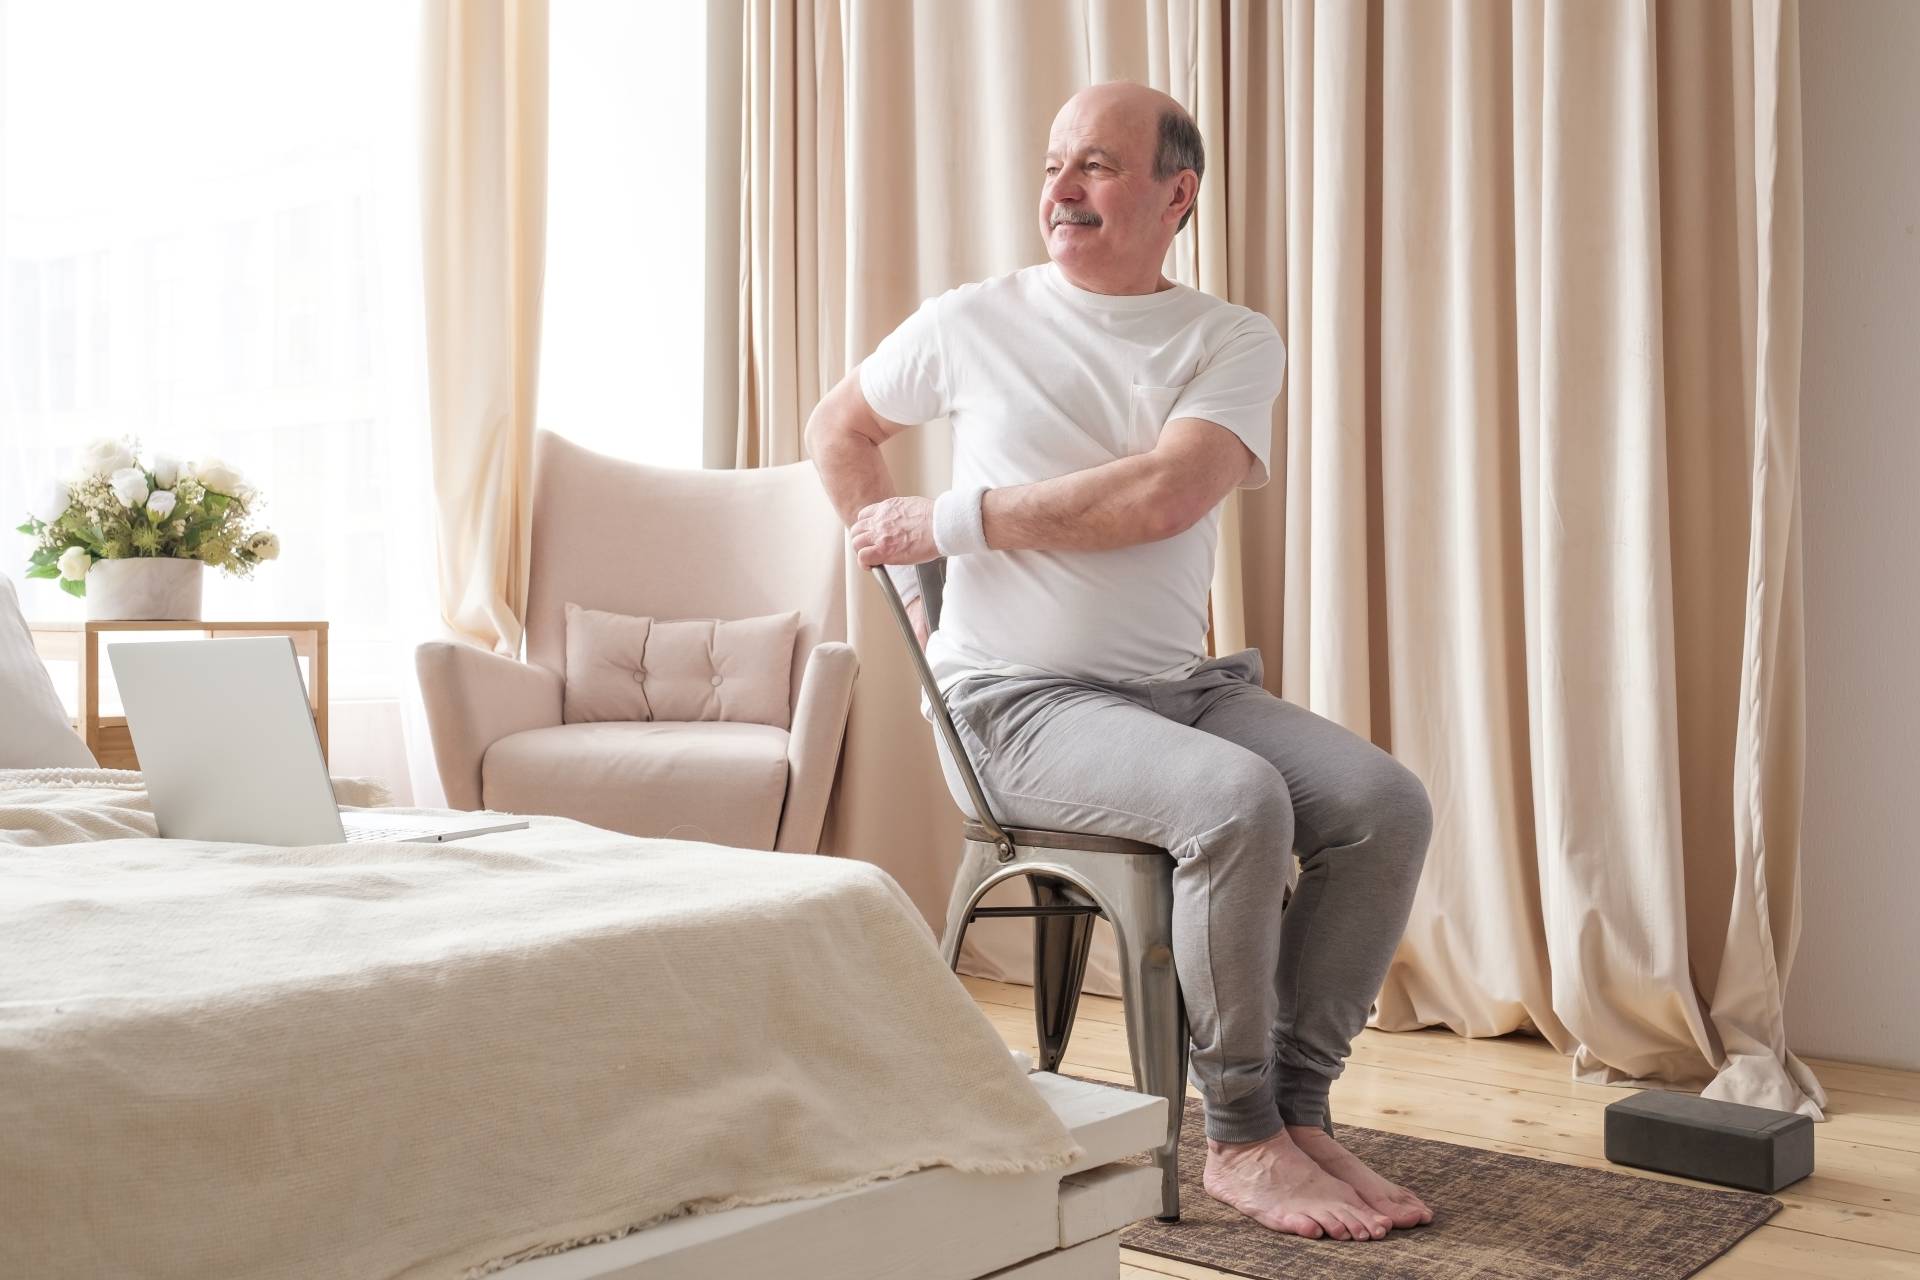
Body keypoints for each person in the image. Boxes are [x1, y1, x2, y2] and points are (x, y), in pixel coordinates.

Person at [805, 80, 1435, 1243]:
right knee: (1237, 802)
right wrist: (912, 596)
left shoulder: (1229, 338)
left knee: (1383, 804)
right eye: (1053, 165)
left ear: (1175, 192)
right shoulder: (972, 318)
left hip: (1183, 693)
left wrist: (945, 525)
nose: (1061, 189)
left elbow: (1164, 492)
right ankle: (1242, 1135)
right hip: (1014, 707)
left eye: (1095, 165)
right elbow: (838, 429)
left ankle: (1300, 1106)